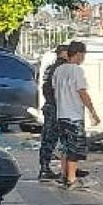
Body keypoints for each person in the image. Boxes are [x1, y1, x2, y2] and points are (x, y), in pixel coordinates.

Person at [51, 41, 100, 190]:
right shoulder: (77, 71)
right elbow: (82, 92)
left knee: (64, 146)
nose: (83, 58)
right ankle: (72, 179)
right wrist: (92, 111)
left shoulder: (58, 70)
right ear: (78, 54)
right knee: (74, 148)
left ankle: (63, 175)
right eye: (83, 55)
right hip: (74, 115)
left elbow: (54, 89)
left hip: (61, 114)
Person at [37, 44, 67, 182]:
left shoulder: (51, 68)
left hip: (49, 105)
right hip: (57, 107)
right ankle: (48, 169)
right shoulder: (62, 68)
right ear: (64, 53)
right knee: (58, 138)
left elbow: (46, 87)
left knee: (48, 137)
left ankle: (45, 167)